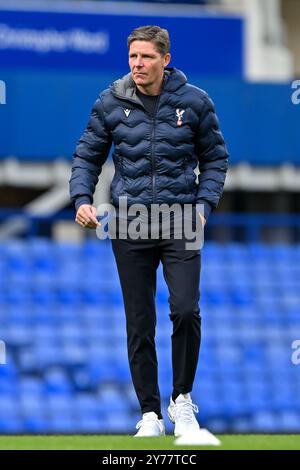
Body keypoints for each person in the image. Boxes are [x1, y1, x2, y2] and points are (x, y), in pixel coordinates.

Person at [69, 25, 228, 437]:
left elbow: (215, 160)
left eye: (146, 57)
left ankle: (182, 403)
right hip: (128, 223)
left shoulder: (195, 102)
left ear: (165, 60)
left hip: (181, 221)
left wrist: (203, 207)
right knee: (140, 322)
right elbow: (87, 155)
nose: (138, 64)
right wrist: (82, 199)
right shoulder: (110, 101)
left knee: (185, 309)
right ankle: (150, 415)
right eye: (133, 57)